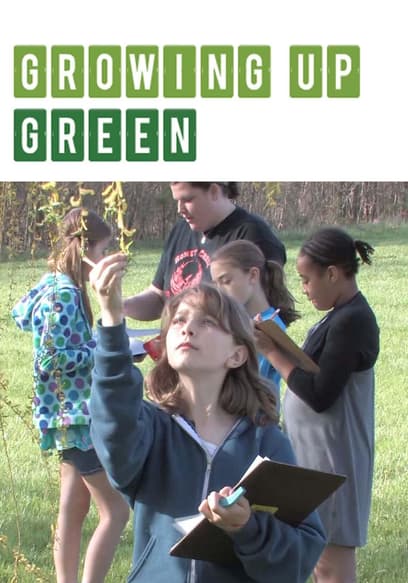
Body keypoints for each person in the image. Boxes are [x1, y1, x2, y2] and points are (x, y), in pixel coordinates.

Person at [88, 253, 326, 583]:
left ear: (237, 355)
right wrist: (112, 319)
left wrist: (247, 528)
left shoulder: (265, 442)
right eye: (178, 321)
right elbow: (113, 426)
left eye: (207, 322)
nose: (188, 329)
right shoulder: (149, 429)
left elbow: (300, 556)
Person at [254, 227, 380, 583]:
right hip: (317, 455)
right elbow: (313, 369)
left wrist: (271, 352)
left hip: (335, 456)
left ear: (332, 273)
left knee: (331, 560)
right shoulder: (338, 315)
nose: (304, 289)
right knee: (317, 556)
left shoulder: (352, 320)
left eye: (307, 280)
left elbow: (321, 394)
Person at [11, 208, 129, 583]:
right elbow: (49, 358)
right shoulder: (62, 294)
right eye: (103, 250)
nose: (105, 258)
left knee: (73, 507)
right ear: (84, 248)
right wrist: (100, 349)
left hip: (68, 413)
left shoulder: (57, 285)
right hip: (73, 415)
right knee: (116, 511)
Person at [123, 182, 287, 321]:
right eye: (177, 200)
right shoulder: (180, 230)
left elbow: (261, 313)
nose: (180, 209)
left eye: (187, 199)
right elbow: (159, 297)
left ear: (214, 191)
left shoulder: (253, 235)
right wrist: (120, 306)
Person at [210, 239, 300, 410]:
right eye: (216, 284)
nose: (220, 292)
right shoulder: (235, 323)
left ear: (252, 275)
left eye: (226, 281)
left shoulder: (269, 326)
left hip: (255, 418)